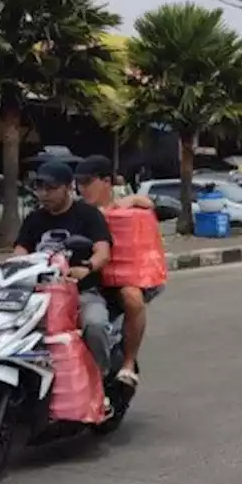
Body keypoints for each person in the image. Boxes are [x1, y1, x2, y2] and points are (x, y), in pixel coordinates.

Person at [13, 161, 114, 383]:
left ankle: (100, 381)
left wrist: (86, 267)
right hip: (40, 295)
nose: (44, 194)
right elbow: (20, 252)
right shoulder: (34, 219)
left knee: (95, 325)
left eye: (51, 188)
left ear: (69, 187)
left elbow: (103, 252)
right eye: (40, 188)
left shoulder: (88, 215)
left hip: (81, 293)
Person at [75, 155, 162, 387]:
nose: (82, 188)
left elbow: (149, 204)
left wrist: (133, 199)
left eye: (87, 182)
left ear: (106, 182)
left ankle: (128, 364)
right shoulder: (75, 209)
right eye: (78, 183)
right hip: (80, 277)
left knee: (132, 298)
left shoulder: (124, 204)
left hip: (119, 278)